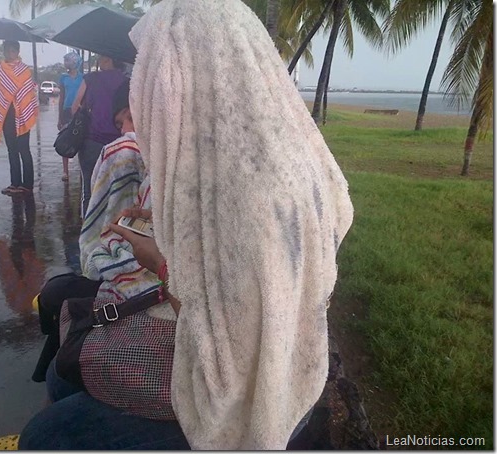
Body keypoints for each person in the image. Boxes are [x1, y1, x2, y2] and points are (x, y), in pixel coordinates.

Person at [19, 0, 354, 449]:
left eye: (151, 76)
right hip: (293, 367)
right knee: (67, 376)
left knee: (46, 434)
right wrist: (170, 224)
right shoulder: (290, 154)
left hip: (253, 404)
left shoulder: (246, 187)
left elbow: (222, 342)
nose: (143, 93)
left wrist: (157, 260)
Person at [30, 79, 147, 382]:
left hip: (141, 284)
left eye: (129, 119)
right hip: (139, 274)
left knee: (56, 295)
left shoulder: (123, 152)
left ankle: (52, 377)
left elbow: (102, 228)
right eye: (121, 124)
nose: (125, 131)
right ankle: (53, 372)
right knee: (59, 296)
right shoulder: (153, 158)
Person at [71, 54, 128, 218]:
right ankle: (110, 229)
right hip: (118, 143)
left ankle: (87, 231)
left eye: (102, 58)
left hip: (91, 141)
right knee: (115, 188)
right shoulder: (126, 81)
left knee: (89, 189)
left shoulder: (90, 79)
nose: (99, 61)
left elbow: (75, 108)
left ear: (109, 59)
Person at [0, 40, 38, 196]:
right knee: (12, 150)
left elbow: (28, 93)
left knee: (24, 149)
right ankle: (15, 183)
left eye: (12, 50)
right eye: (7, 50)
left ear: (17, 51)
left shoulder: (25, 71)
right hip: (5, 114)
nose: (10, 53)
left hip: (22, 114)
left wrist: (17, 98)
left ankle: (27, 184)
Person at [57, 52, 84, 182]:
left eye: (68, 60)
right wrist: (59, 117)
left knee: (80, 139)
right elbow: (61, 97)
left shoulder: (83, 78)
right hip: (66, 111)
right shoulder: (63, 78)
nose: (66, 63)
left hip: (79, 111)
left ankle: (81, 169)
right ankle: (65, 171)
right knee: (65, 138)